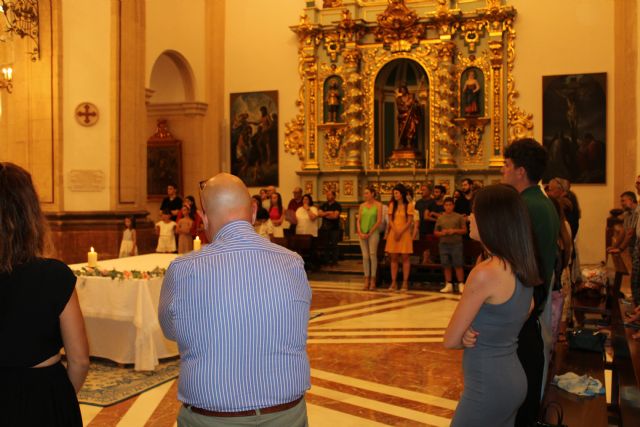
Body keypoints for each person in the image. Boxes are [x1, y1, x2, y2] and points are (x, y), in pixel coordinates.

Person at [159, 172, 311, 426]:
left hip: (212, 419)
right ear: (253, 211)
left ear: (205, 218)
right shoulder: (292, 262)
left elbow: (170, 330)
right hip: (286, 416)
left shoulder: (183, 268)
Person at [0, 162, 89, 426]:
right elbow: (80, 360)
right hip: (42, 397)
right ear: (31, 215)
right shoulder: (53, 276)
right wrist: (58, 398)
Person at [444, 184, 540, 427]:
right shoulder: (520, 262)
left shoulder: (485, 273)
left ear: (491, 219)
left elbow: (451, 340)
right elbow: (526, 308)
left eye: (474, 212)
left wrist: (467, 331)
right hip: (513, 377)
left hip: (488, 385)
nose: (469, 217)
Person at [498, 138, 560, 427]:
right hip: (534, 297)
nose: (502, 171)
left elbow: (515, 260)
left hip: (523, 301)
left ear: (520, 171)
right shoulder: (541, 202)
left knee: (521, 374)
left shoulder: (524, 205)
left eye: (506, 165)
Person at [385, 184, 414, 291]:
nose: (395, 195)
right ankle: (393, 282)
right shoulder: (392, 205)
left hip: (404, 233)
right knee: (393, 258)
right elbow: (390, 220)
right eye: (394, 193)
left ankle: (405, 282)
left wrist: (401, 231)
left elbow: (410, 221)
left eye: (396, 193)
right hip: (394, 233)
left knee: (405, 258)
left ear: (401, 194)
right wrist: (395, 230)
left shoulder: (409, 205)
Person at [436, 197, 467, 294]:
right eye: (446, 205)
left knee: (458, 264)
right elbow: (436, 232)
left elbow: (464, 230)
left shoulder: (459, 217)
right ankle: (448, 284)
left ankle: (461, 283)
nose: (448, 207)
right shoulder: (440, 218)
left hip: (456, 244)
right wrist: (443, 233)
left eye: (450, 205)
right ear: (444, 206)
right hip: (443, 244)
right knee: (446, 264)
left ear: (453, 206)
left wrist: (454, 231)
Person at [357, 186, 383, 291]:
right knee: (365, 256)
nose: (365, 195)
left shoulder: (378, 205)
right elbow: (358, 220)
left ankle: (373, 279)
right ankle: (366, 279)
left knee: (372, 255)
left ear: (372, 194)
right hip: (362, 233)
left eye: (367, 193)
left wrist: (370, 232)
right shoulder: (362, 206)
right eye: (364, 193)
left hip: (373, 232)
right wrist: (359, 231)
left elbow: (379, 220)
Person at [608, 191, 639, 256]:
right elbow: (623, 231)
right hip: (633, 246)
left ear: (631, 200)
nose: (621, 204)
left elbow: (630, 233)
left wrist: (620, 249)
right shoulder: (627, 213)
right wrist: (614, 246)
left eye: (623, 201)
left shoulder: (637, 212)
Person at [318, 190, 342, 265]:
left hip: (334, 228)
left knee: (334, 245)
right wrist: (329, 213)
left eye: (329, 195)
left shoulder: (337, 205)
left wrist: (325, 214)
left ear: (334, 196)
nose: (327, 196)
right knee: (326, 245)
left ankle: (335, 261)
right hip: (325, 228)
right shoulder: (324, 204)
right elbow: (319, 214)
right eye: (327, 195)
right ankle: (326, 261)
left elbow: (335, 216)